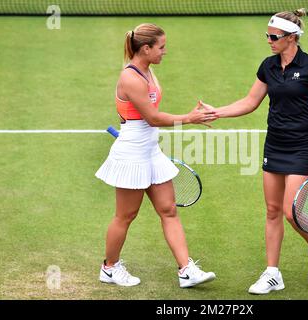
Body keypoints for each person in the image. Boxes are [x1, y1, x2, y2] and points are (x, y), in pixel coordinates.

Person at [201, 9, 308, 294]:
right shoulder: (268, 66)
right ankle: (272, 273)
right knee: (273, 210)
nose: (268, 40)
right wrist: (218, 112)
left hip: (302, 146)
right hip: (275, 144)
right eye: (268, 35)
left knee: (292, 211)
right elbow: (250, 101)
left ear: (291, 37)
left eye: (273, 36)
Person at [95, 23, 217, 288]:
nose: (165, 52)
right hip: (131, 155)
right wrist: (190, 118)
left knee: (168, 209)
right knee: (125, 216)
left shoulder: (148, 71)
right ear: (146, 48)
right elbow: (152, 117)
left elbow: (145, 112)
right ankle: (109, 268)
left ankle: (186, 270)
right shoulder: (130, 77)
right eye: (161, 47)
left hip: (150, 151)